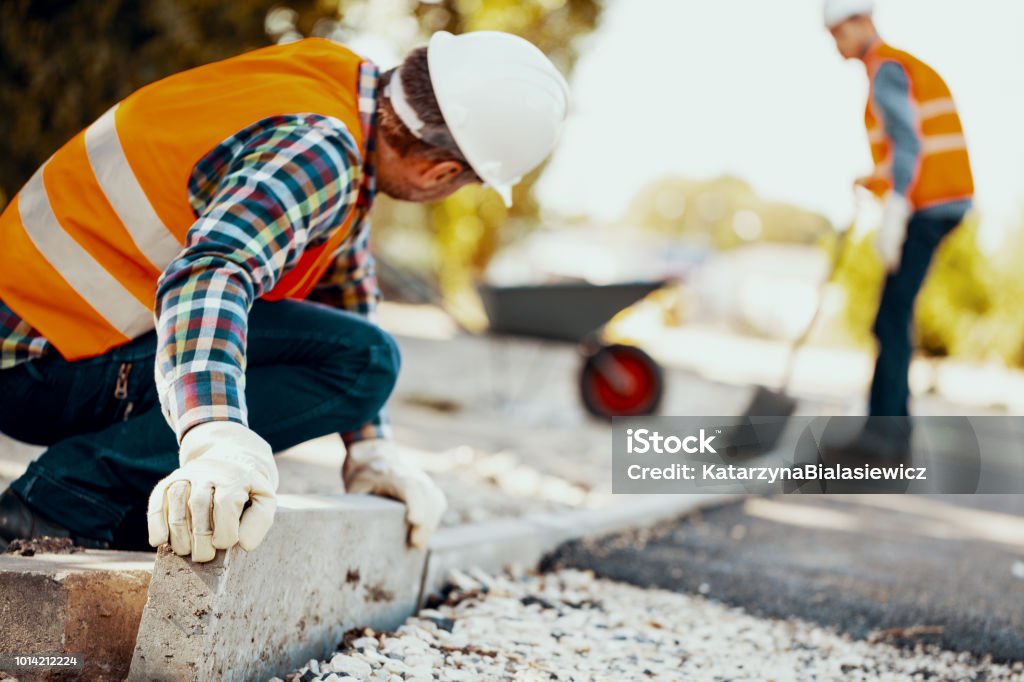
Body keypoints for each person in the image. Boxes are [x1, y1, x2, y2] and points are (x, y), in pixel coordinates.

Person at [0, 31, 570, 560]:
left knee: (361, 352)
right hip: (38, 367)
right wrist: (214, 434)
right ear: (440, 172)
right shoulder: (322, 151)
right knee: (366, 362)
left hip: (41, 340)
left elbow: (344, 296)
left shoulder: (331, 88)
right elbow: (211, 273)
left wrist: (371, 449)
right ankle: (60, 501)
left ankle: (116, 504)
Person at [823, 0, 974, 458]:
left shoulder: (886, 68)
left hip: (929, 206)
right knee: (893, 313)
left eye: (839, 33)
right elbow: (900, 153)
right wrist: (873, 180)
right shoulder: (898, 66)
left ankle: (884, 441)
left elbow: (909, 143)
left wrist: (895, 208)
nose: (837, 44)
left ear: (862, 22)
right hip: (938, 202)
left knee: (890, 317)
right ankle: (892, 434)